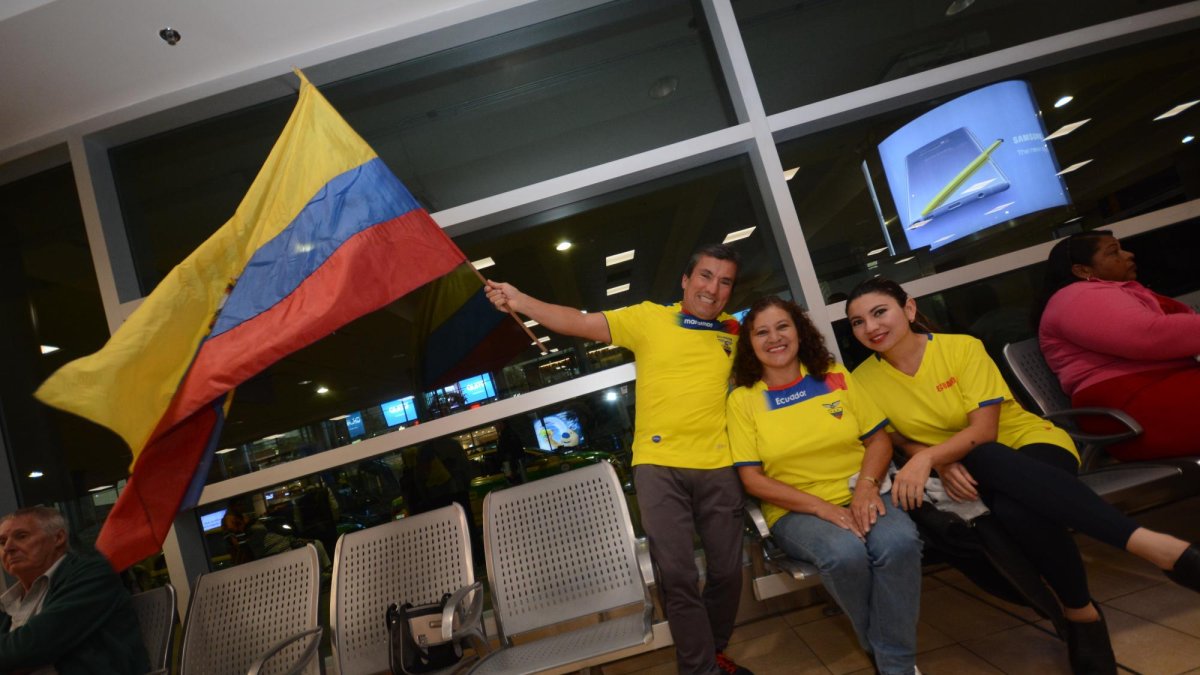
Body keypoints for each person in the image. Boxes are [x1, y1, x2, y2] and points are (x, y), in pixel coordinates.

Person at [845, 277, 1200, 674]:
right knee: (1010, 500)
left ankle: (1085, 611)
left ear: (909, 309)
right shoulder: (861, 381)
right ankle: (1140, 567)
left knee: (996, 469)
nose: (871, 327)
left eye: (880, 312)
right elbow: (896, 437)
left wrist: (930, 457)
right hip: (963, 469)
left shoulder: (961, 348)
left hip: (1028, 445)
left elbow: (984, 432)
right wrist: (936, 460)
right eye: (858, 322)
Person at [486, 244, 751, 675]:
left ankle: (713, 650)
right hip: (658, 467)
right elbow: (578, 321)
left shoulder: (734, 333)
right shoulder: (649, 318)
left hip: (719, 466)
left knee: (727, 572)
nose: (713, 288)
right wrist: (520, 301)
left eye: (725, 282)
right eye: (705, 276)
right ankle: (700, 669)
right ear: (686, 280)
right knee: (678, 577)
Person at [727, 297, 922, 675]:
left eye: (782, 327)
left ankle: (890, 661)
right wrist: (824, 508)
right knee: (845, 554)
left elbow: (879, 440)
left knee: (899, 543)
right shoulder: (744, 400)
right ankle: (894, 660)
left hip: (862, 490)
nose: (774, 338)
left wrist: (865, 488)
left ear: (799, 331)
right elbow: (752, 479)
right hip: (796, 510)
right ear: (750, 344)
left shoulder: (834, 375)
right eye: (762, 332)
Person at [1035, 230, 1200, 461]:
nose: (1128, 254)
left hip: (1161, 388)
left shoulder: (1116, 290)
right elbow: (1148, 336)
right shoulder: (1075, 297)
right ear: (1083, 270)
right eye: (1114, 252)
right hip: (1131, 408)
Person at [0, 506, 149, 674]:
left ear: (58, 538)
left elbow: (33, 645)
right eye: (2, 542)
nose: (8, 547)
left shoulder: (92, 573)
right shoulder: (9, 601)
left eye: (21, 536)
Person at [221, 506, 332, 574]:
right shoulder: (248, 533)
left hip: (283, 551)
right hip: (280, 557)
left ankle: (326, 570)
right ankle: (326, 570)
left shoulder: (254, 529)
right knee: (316, 544)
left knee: (316, 543)